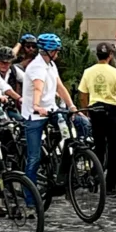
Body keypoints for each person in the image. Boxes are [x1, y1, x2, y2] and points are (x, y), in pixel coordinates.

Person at [21, 34, 79, 199]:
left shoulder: (51, 64)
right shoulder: (37, 67)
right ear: (47, 51)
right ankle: (30, 199)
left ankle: (60, 166)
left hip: (51, 110)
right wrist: (37, 106)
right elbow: (38, 88)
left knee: (78, 124)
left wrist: (72, 106)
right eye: (56, 50)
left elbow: (60, 87)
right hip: (34, 115)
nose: (58, 53)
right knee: (33, 158)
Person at [79, 43, 116, 197]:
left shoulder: (88, 72)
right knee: (114, 150)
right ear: (110, 55)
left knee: (99, 148)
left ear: (97, 55)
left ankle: (94, 178)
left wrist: (86, 112)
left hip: (95, 111)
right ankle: (110, 186)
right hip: (112, 112)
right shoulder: (115, 73)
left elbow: (83, 95)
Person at [0, 46, 24, 114]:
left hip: (8, 105)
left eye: (7, 63)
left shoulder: (13, 69)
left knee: (20, 121)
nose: (4, 65)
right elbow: (4, 87)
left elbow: (26, 79)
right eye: (1, 62)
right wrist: (19, 98)